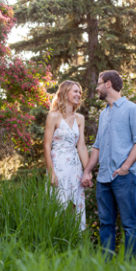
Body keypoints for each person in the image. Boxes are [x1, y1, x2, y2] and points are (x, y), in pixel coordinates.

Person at [81, 70, 136, 258]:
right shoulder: (103, 114)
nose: (97, 87)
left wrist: (125, 167)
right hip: (104, 178)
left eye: (99, 83)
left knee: (129, 224)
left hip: (123, 177)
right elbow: (98, 147)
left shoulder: (132, 109)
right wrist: (87, 171)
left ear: (108, 84)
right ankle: (106, 266)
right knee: (106, 224)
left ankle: (129, 266)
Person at [43, 80, 89, 231]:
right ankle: (57, 244)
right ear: (65, 93)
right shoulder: (54, 116)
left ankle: (76, 245)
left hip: (75, 167)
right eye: (75, 91)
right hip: (58, 165)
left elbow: (81, 146)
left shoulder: (80, 118)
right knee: (59, 205)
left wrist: (87, 172)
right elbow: (47, 145)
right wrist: (51, 173)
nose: (78, 94)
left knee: (75, 207)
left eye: (79, 92)